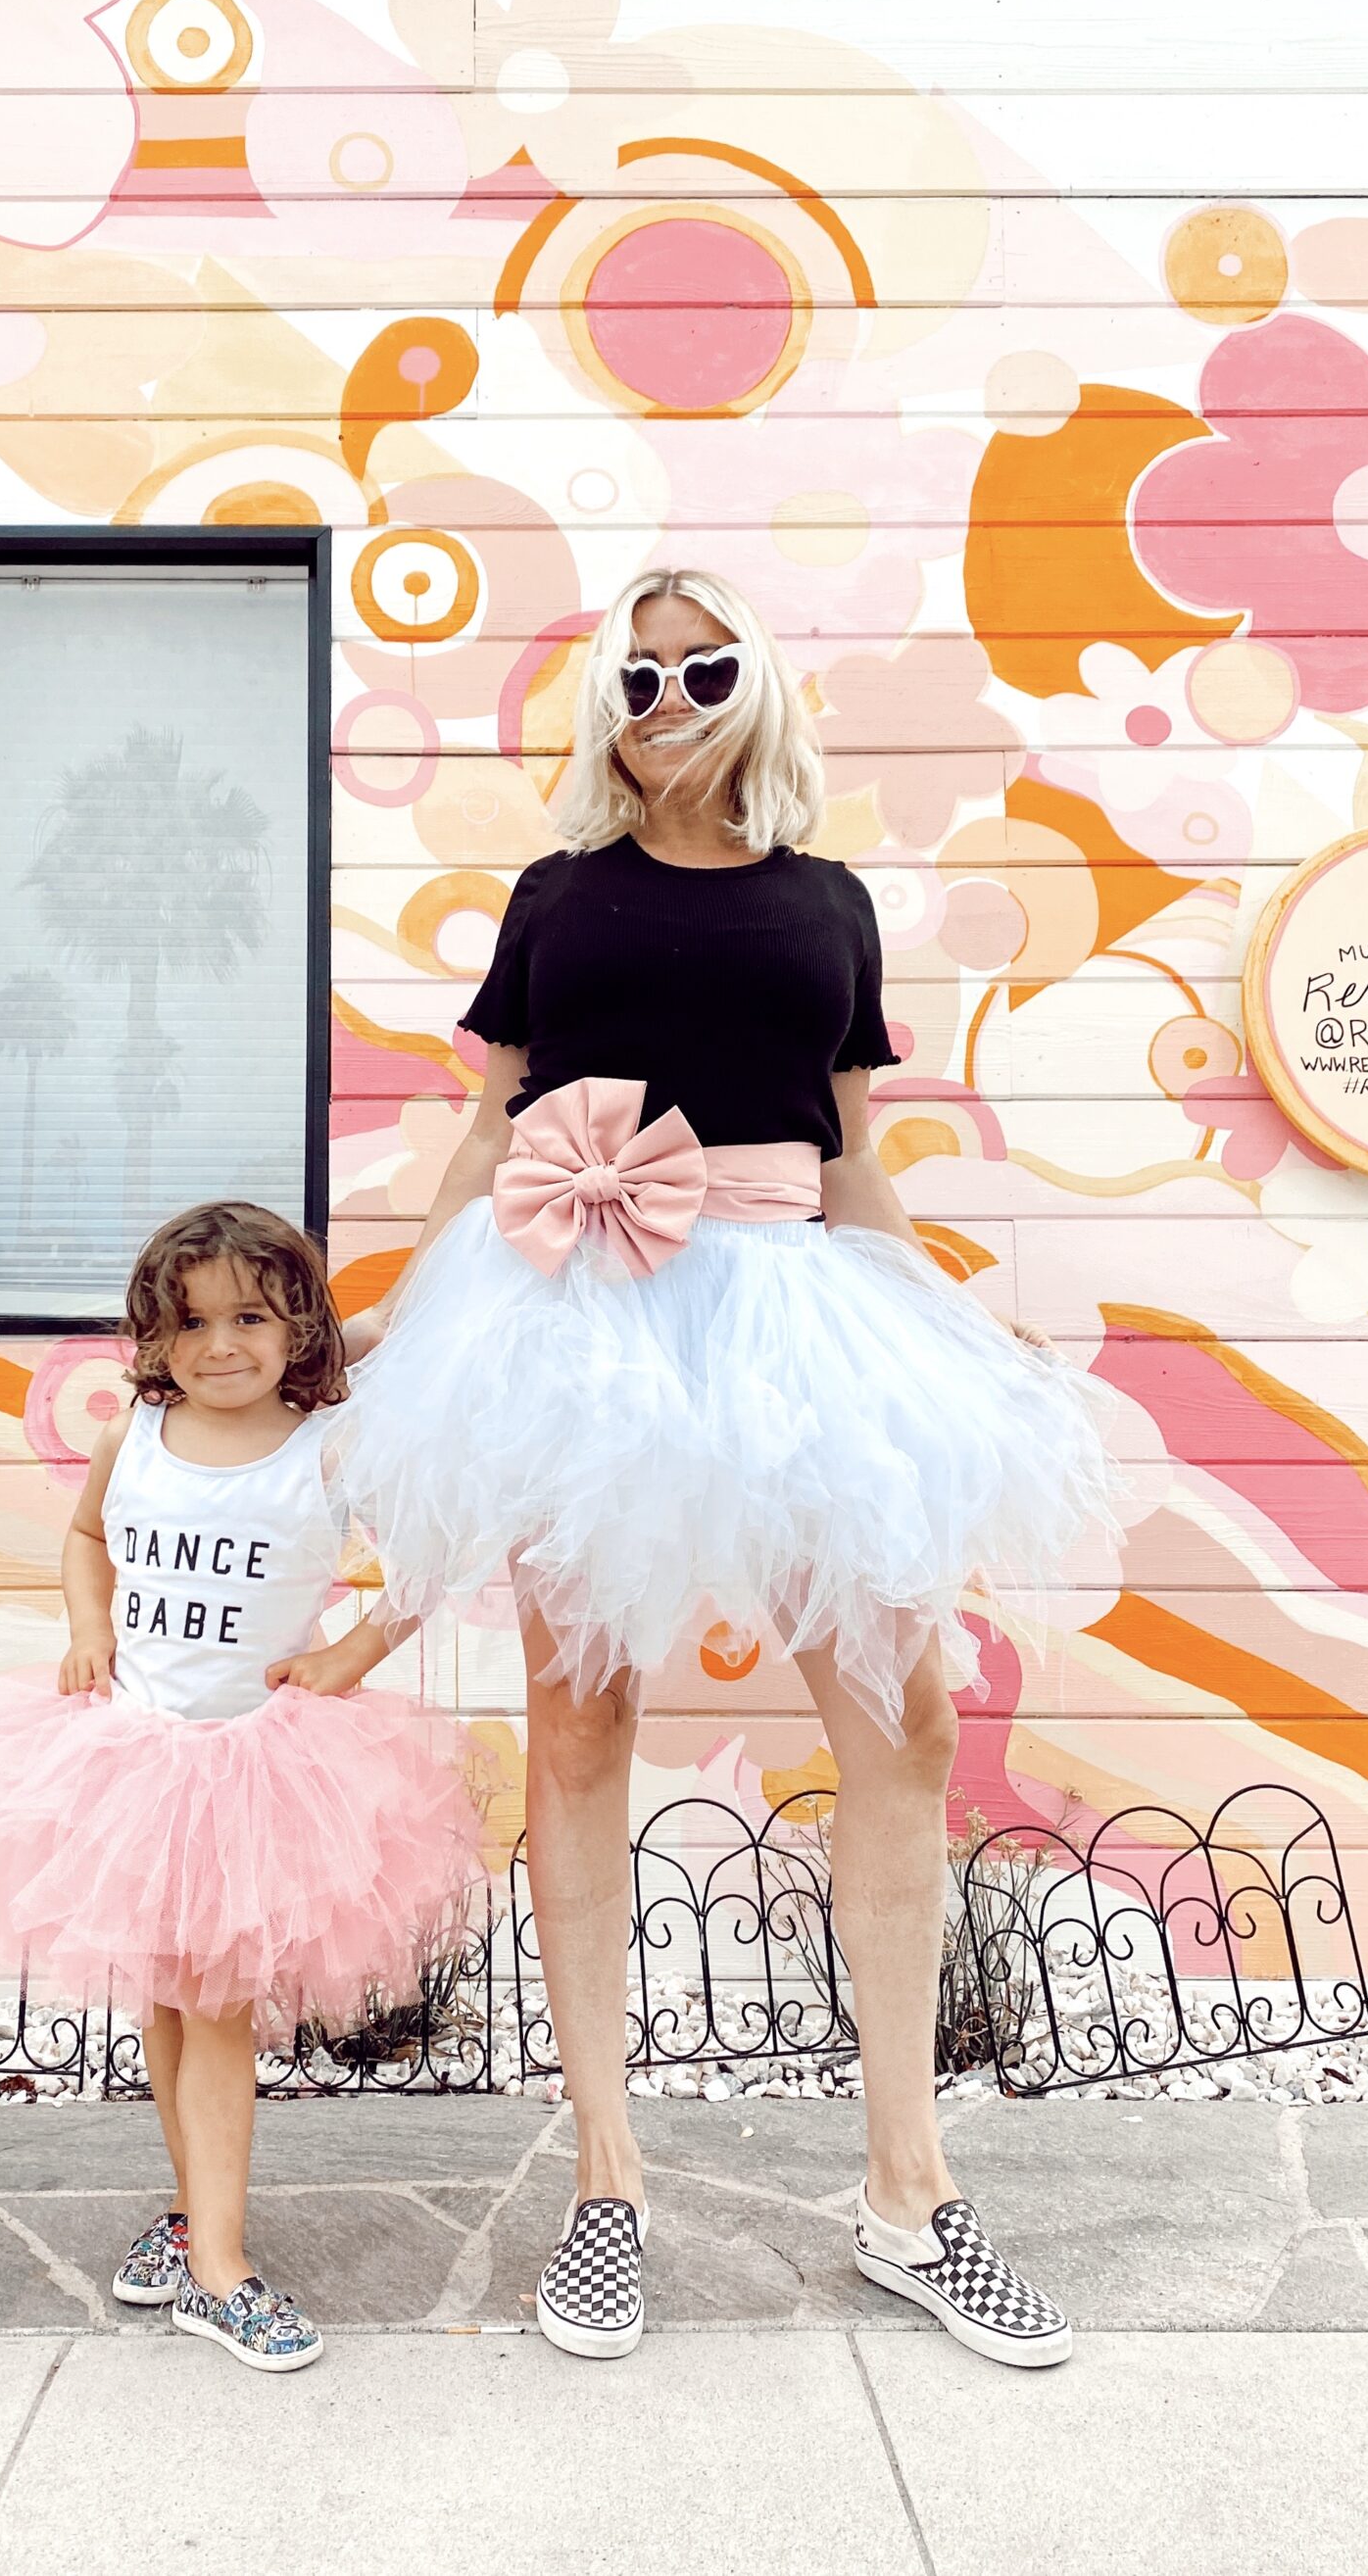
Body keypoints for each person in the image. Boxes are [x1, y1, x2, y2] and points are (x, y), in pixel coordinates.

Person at [334, 567, 1120, 2369]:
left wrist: (947, 1327)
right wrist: (385, 1313)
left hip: (791, 1316)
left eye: (699, 665)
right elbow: (488, 1121)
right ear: (605, 703)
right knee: (578, 1719)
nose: (663, 690)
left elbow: (848, 1155)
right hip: (571, 1320)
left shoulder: (826, 902)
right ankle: (604, 2186)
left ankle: (908, 2194)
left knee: (900, 1721)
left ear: (752, 689)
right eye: (633, 668)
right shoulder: (554, 896)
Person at [0, 1201, 484, 2374]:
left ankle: (216, 2261)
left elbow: (434, 1553)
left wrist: (349, 1652)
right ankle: (198, 2227)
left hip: (252, 1770)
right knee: (170, 2006)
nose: (218, 1344)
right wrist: (86, 1625)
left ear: (296, 1328)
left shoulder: (324, 1445)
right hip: (132, 1759)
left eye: (247, 1317)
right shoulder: (138, 1428)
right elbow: (87, 1538)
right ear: (154, 1339)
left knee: (214, 2007)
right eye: (189, 1323)